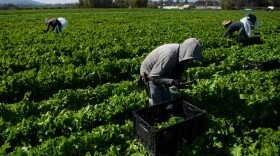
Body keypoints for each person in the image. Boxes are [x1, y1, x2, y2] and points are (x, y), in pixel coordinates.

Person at [139, 38, 204, 106]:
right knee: (156, 101)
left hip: (161, 72)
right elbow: (153, 76)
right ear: (186, 53)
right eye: (191, 58)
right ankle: (155, 112)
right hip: (150, 73)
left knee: (166, 98)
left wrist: (178, 82)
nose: (191, 60)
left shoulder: (183, 57)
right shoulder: (169, 55)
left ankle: (165, 112)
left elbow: (176, 74)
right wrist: (172, 81)